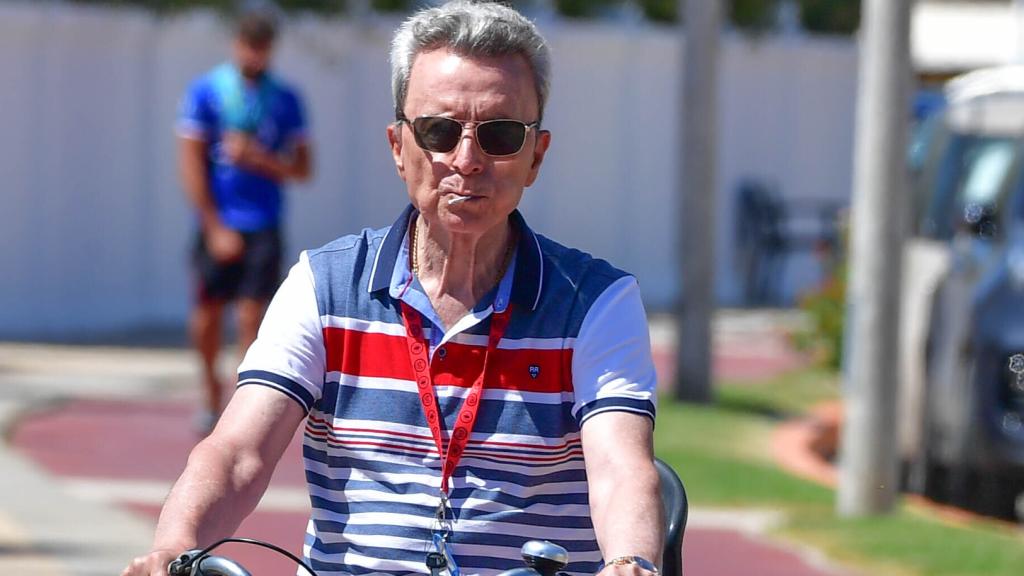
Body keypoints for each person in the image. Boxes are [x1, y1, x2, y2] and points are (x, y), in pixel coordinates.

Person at [124, 2, 662, 575]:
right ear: (397, 147)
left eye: (501, 134)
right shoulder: (323, 285)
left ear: (536, 156)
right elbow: (237, 453)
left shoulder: (596, 301)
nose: (467, 159)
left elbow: (620, 467)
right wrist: (173, 549)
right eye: (439, 130)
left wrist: (632, 561)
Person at [175, 10, 313, 432]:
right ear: (235, 44)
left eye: (262, 46)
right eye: (247, 44)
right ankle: (208, 394)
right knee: (208, 312)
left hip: (264, 221)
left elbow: (303, 169)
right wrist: (214, 225)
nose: (254, 55)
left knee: (253, 315)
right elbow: (190, 163)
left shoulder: (285, 98)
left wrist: (259, 159)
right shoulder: (207, 92)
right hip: (218, 220)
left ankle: (240, 405)